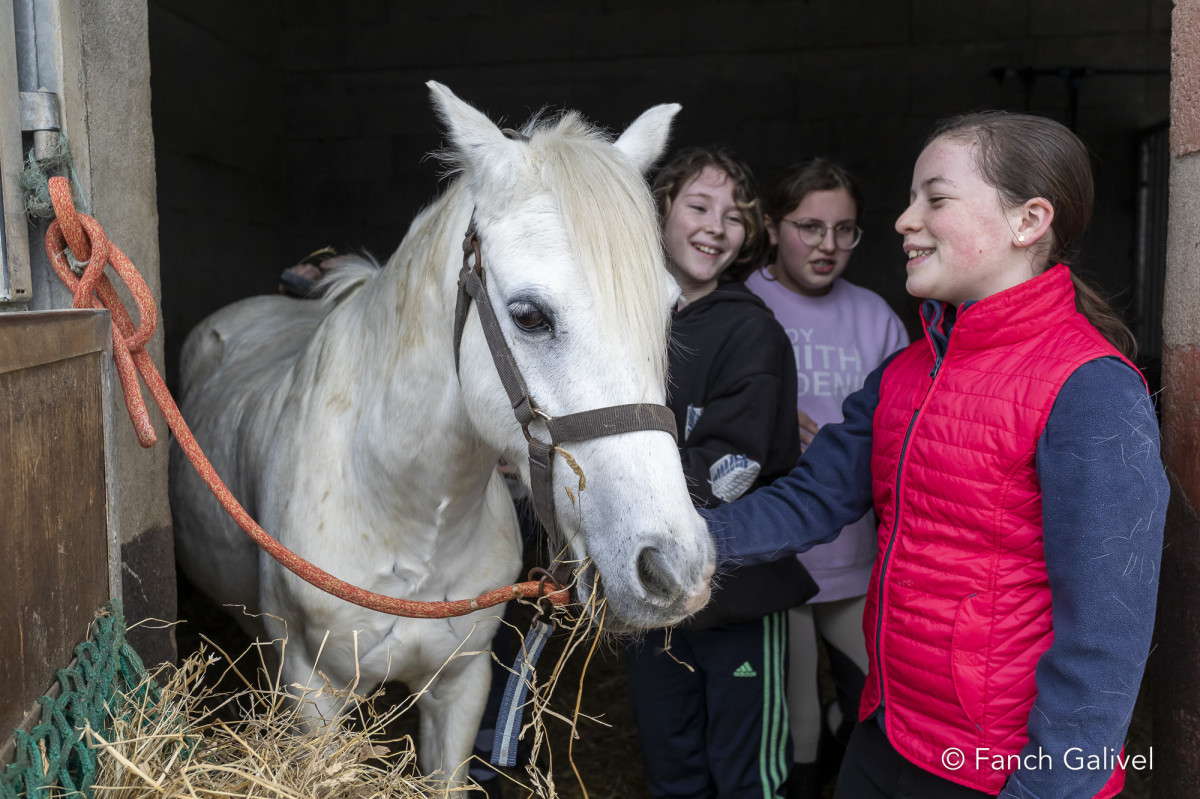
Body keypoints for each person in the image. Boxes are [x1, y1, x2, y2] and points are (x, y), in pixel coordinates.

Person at [703, 112, 1166, 799]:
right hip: (888, 736)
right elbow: (814, 496)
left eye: (935, 198)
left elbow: (1103, 642)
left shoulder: (1089, 388)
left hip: (997, 772)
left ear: (1028, 220)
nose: (903, 220)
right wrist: (680, 540)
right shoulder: (906, 372)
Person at [625, 147, 816, 799]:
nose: (715, 226)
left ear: (750, 233)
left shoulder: (750, 331)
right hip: (647, 591)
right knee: (669, 763)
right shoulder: (628, 320)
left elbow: (735, 465)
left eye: (733, 216)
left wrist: (629, 499)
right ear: (661, 211)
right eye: (698, 206)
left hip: (734, 587)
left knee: (747, 774)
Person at [745, 159, 909, 798]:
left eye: (845, 230)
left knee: (882, 695)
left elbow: (906, 422)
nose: (828, 246)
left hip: (855, 553)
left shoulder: (875, 316)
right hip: (776, 562)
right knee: (797, 721)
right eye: (809, 227)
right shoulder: (744, 304)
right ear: (770, 225)